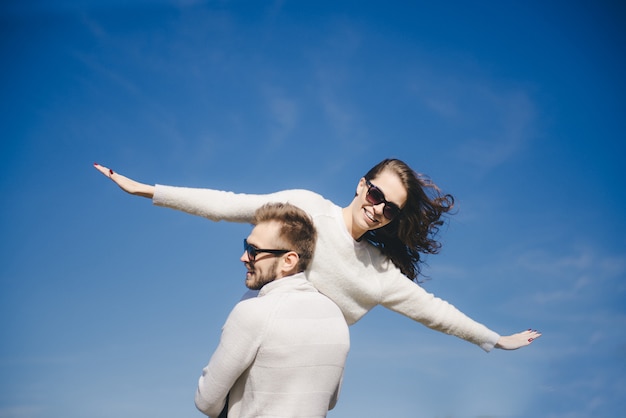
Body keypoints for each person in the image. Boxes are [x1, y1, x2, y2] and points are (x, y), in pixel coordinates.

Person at [94, 159, 541, 351]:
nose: (378, 208)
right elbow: (231, 204)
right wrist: (150, 190)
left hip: (311, 382)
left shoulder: (380, 272)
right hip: (258, 355)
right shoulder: (307, 206)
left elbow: (435, 312)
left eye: (390, 208)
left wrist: (494, 339)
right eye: (376, 193)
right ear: (361, 183)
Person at [195, 202, 350, 418]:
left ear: (288, 261)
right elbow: (329, 400)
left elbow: (206, 400)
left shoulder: (252, 311)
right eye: (246, 246)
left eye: (254, 251)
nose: (244, 258)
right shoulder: (336, 317)